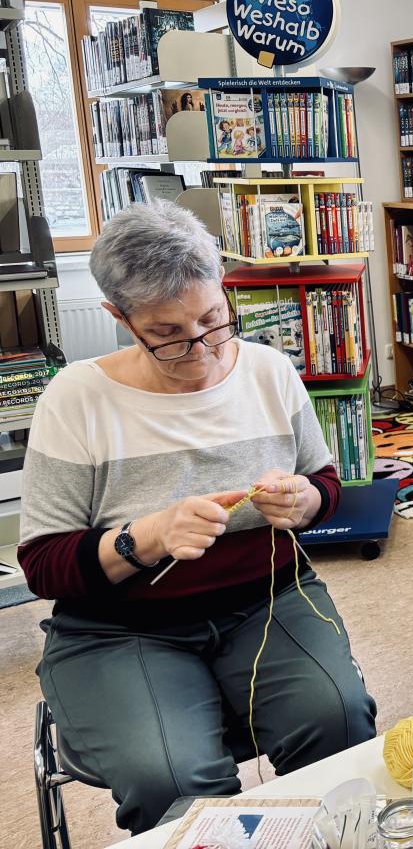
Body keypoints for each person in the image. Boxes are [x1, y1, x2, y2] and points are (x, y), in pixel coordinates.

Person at [18, 203, 376, 834]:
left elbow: (324, 484)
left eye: (214, 320)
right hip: (119, 628)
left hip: (267, 601)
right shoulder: (76, 399)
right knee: (172, 780)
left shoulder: (267, 369)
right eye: (171, 335)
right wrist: (143, 539)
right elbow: (43, 564)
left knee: (340, 722)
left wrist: (306, 503)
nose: (204, 350)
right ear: (120, 319)